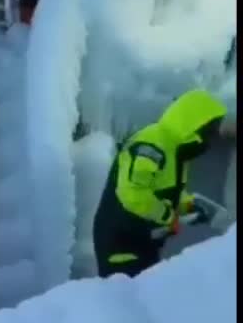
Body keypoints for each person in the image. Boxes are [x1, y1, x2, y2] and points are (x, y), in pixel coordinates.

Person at [93, 88, 227, 278]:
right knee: (128, 302)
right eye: (211, 131)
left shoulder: (174, 149)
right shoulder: (152, 146)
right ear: (195, 126)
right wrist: (168, 217)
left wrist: (186, 206)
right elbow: (133, 195)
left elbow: (162, 192)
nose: (212, 139)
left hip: (143, 242)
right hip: (121, 245)